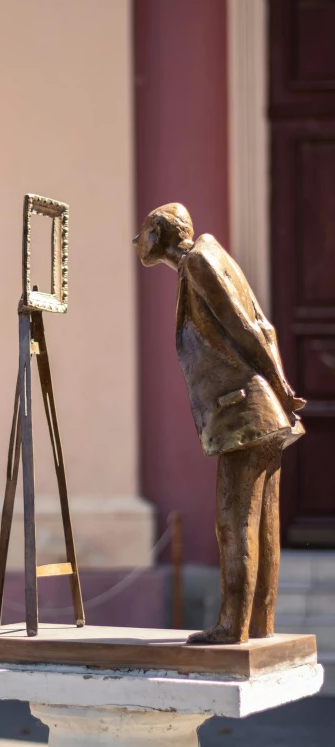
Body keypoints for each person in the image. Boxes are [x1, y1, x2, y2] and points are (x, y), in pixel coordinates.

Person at [133, 203, 305, 644]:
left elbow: (248, 328)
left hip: (245, 410)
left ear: (159, 233)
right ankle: (259, 623)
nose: (137, 242)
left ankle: (232, 628)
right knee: (263, 519)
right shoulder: (209, 256)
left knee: (234, 520)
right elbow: (262, 326)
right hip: (260, 408)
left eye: (143, 231)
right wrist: (280, 388)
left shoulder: (199, 262)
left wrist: (280, 385)